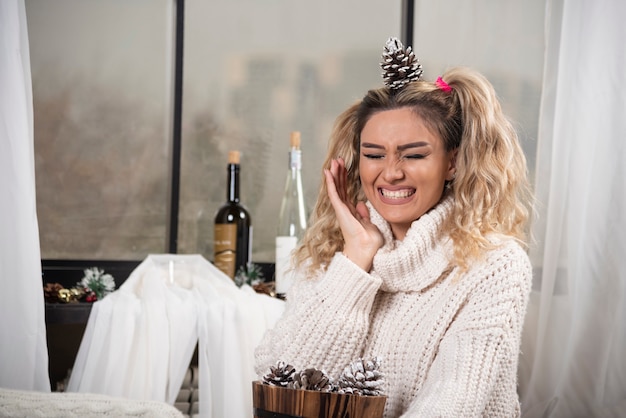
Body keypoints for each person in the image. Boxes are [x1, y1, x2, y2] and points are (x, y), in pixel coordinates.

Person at [255, 37, 533, 417]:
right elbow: (280, 386)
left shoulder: (495, 265)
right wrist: (355, 261)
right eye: (373, 155)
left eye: (414, 154)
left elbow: (452, 404)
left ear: (452, 162)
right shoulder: (333, 255)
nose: (391, 172)